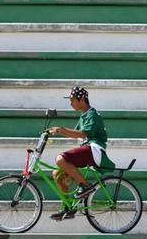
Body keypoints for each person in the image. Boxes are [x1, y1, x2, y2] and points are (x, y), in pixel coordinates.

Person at [47, 86, 114, 220]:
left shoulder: (92, 114)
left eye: (72, 99)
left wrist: (61, 130)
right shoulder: (84, 115)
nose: (70, 103)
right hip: (88, 150)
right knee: (57, 174)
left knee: (60, 159)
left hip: (94, 149)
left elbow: (83, 134)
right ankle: (68, 208)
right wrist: (58, 131)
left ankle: (86, 186)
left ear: (82, 99)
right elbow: (76, 134)